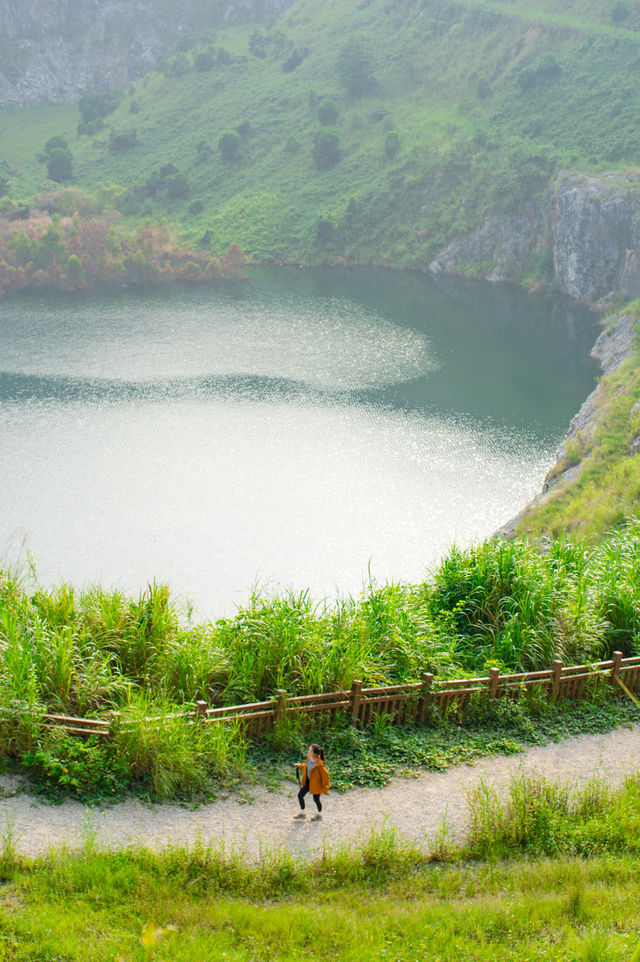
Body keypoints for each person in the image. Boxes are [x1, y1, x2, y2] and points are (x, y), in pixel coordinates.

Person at [294, 743, 330, 820]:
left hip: (316, 785)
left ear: (315, 754)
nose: (308, 752)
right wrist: (299, 766)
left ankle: (319, 814)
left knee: (316, 799)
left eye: (310, 751)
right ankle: (302, 813)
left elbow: (325, 776)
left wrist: (325, 787)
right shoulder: (309, 758)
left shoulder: (319, 765)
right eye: (309, 750)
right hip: (307, 782)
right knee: (300, 795)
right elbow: (306, 766)